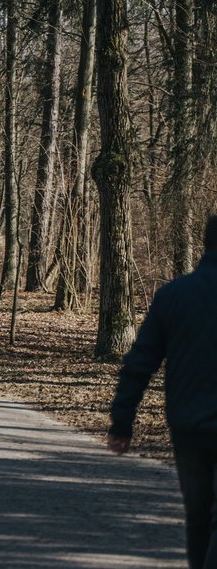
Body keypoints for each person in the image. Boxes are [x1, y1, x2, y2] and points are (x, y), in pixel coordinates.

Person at [108, 215, 217, 569]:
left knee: (198, 517)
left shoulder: (173, 295)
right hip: (193, 424)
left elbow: (139, 363)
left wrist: (122, 423)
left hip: (189, 426)